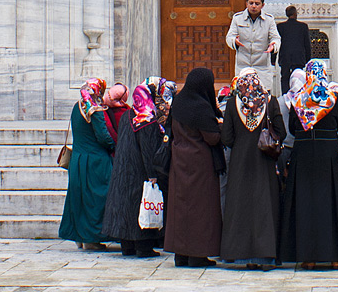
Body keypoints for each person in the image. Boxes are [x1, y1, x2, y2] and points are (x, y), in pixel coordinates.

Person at [279, 60, 338, 269]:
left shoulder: (299, 98)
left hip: (303, 157)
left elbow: (293, 129)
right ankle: (335, 257)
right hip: (328, 155)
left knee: (305, 204)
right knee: (331, 203)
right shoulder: (332, 97)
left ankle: (307, 257)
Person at [101, 77, 176, 258]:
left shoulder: (130, 114)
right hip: (139, 170)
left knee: (127, 206)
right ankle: (143, 247)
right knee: (141, 206)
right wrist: (153, 175)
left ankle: (127, 246)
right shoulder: (147, 118)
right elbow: (148, 149)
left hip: (124, 166)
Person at [220, 70, 285, 269]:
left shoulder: (232, 104)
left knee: (241, 207)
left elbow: (227, 139)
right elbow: (281, 132)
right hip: (264, 161)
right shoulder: (270, 101)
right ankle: (265, 256)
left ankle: (241, 255)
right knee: (265, 206)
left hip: (240, 162)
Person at [164, 67, 225, 267]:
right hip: (200, 165)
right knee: (201, 210)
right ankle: (198, 255)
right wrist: (220, 124)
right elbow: (212, 137)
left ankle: (181, 253)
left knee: (180, 209)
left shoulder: (179, 102)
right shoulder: (201, 107)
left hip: (179, 161)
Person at [59, 77, 115, 249]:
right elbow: (102, 136)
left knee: (80, 198)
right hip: (95, 161)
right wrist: (115, 145)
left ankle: (80, 237)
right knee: (96, 200)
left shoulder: (77, 107)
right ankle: (92, 239)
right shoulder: (95, 110)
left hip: (78, 160)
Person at [226, 0, 281, 90]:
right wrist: (234, 41)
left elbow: (276, 38)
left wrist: (273, 46)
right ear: (246, 3)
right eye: (251, 3)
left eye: (257, 3)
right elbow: (229, 37)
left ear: (262, 5)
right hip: (243, 68)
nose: (254, 6)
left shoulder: (269, 20)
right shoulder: (237, 18)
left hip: (262, 68)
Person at [275, 5, 312, 94]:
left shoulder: (281, 26)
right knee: (298, 78)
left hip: (285, 58)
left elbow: (276, 43)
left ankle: (285, 97)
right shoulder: (303, 26)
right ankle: (297, 97)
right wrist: (308, 58)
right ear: (295, 14)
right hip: (298, 58)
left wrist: (273, 59)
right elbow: (307, 44)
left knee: (285, 79)